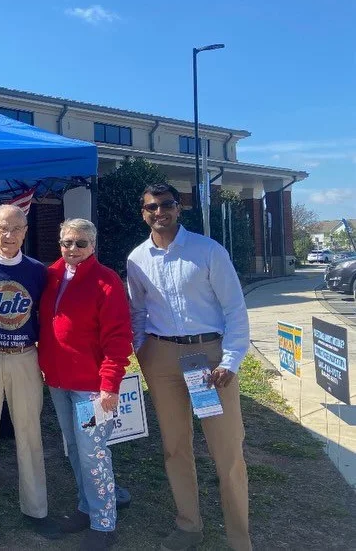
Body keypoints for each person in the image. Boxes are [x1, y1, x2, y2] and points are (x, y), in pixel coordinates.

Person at [126, 184, 251, 551]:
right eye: (151, 207)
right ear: (143, 212)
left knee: (227, 451)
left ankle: (239, 539)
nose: (159, 212)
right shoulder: (137, 259)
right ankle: (188, 526)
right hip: (161, 359)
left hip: (209, 359)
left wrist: (230, 360)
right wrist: (141, 350)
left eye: (166, 205)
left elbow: (234, 310)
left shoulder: (207, 251)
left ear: (179, 208)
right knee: (175, 447)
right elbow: (137, 311)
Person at [0, 204, 61, 544]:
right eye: (3, 228)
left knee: (30, 435)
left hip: (25, 357)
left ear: (25, 231)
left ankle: (36, 510)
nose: (9, 235)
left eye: (16, 229)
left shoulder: (38, 271)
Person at [38, 218, 133, 551]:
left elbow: (119, 337)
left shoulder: (106, 282)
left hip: (92, 389)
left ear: (93, 245)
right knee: (75, 450)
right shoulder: (49, 276)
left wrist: (110, 384)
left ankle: (104, 523)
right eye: (67, 243)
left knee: (93, 454)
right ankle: (85, 506)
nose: (73, 249)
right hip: (58, 383)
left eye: (80, 243)